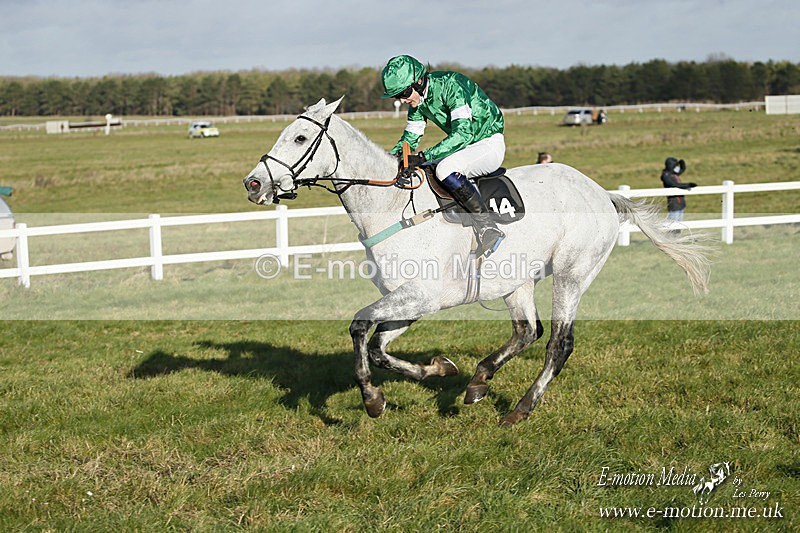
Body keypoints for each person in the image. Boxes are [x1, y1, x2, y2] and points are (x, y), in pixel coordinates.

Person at [381, 54, 506, 257]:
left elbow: (464, 134)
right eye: (397, 97)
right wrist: (392, 158)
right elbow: (411, 137)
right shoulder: (418, 101)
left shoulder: (451, 85)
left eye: (404, 93)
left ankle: (488, 227)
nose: (403, 100)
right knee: (424, 170)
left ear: (419, 82)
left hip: (488, 142)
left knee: (444, 169)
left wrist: (423, 156)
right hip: (466, 148)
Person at [660, 157, 697, 222]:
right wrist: (687, 185)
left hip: (680, 204)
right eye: (675, 166)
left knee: (679, 224)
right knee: (673, 226)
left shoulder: (673, 174)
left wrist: (682, 162)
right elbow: (673, 184)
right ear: (670, 166)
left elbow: (682, 169)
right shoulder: (666, 176)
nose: (677, 167)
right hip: (674, 205)